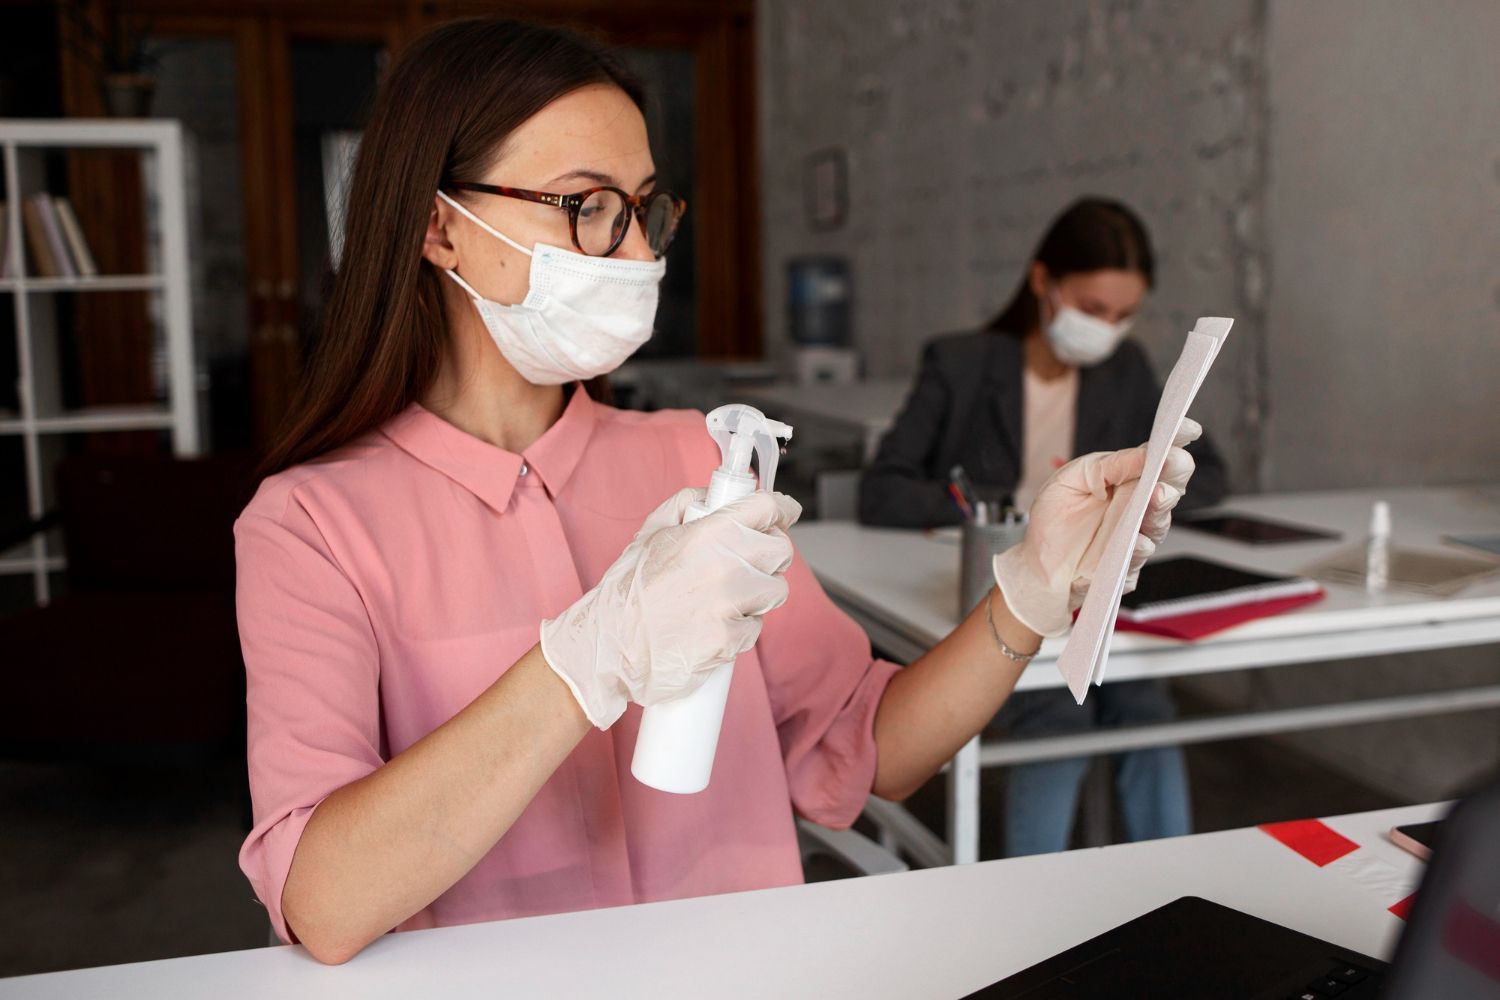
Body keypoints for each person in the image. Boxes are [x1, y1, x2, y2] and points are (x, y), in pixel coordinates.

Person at [235, 21, 1198, 965]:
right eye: (584, 206)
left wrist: (1031, 590)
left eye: (642, 208)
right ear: (441, 226)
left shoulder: (703, 462)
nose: (632, 254)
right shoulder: (313, 525)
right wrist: (587, 658)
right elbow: (324, 902)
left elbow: (871, 746)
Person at [859, 198, 1229, 857]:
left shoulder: (1126, 370)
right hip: (995, 581)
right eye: (1091, 309)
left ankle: (1178, 874)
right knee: (1055, 711)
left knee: (1145, 707)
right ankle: (1031, 891)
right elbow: (881, 490)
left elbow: (1216, 475)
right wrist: (1023, 508)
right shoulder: (963, 363)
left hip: (1090, 594)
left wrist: (1147, 492)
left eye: (1121, 315)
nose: (1107, 329)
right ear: (1042, 283)